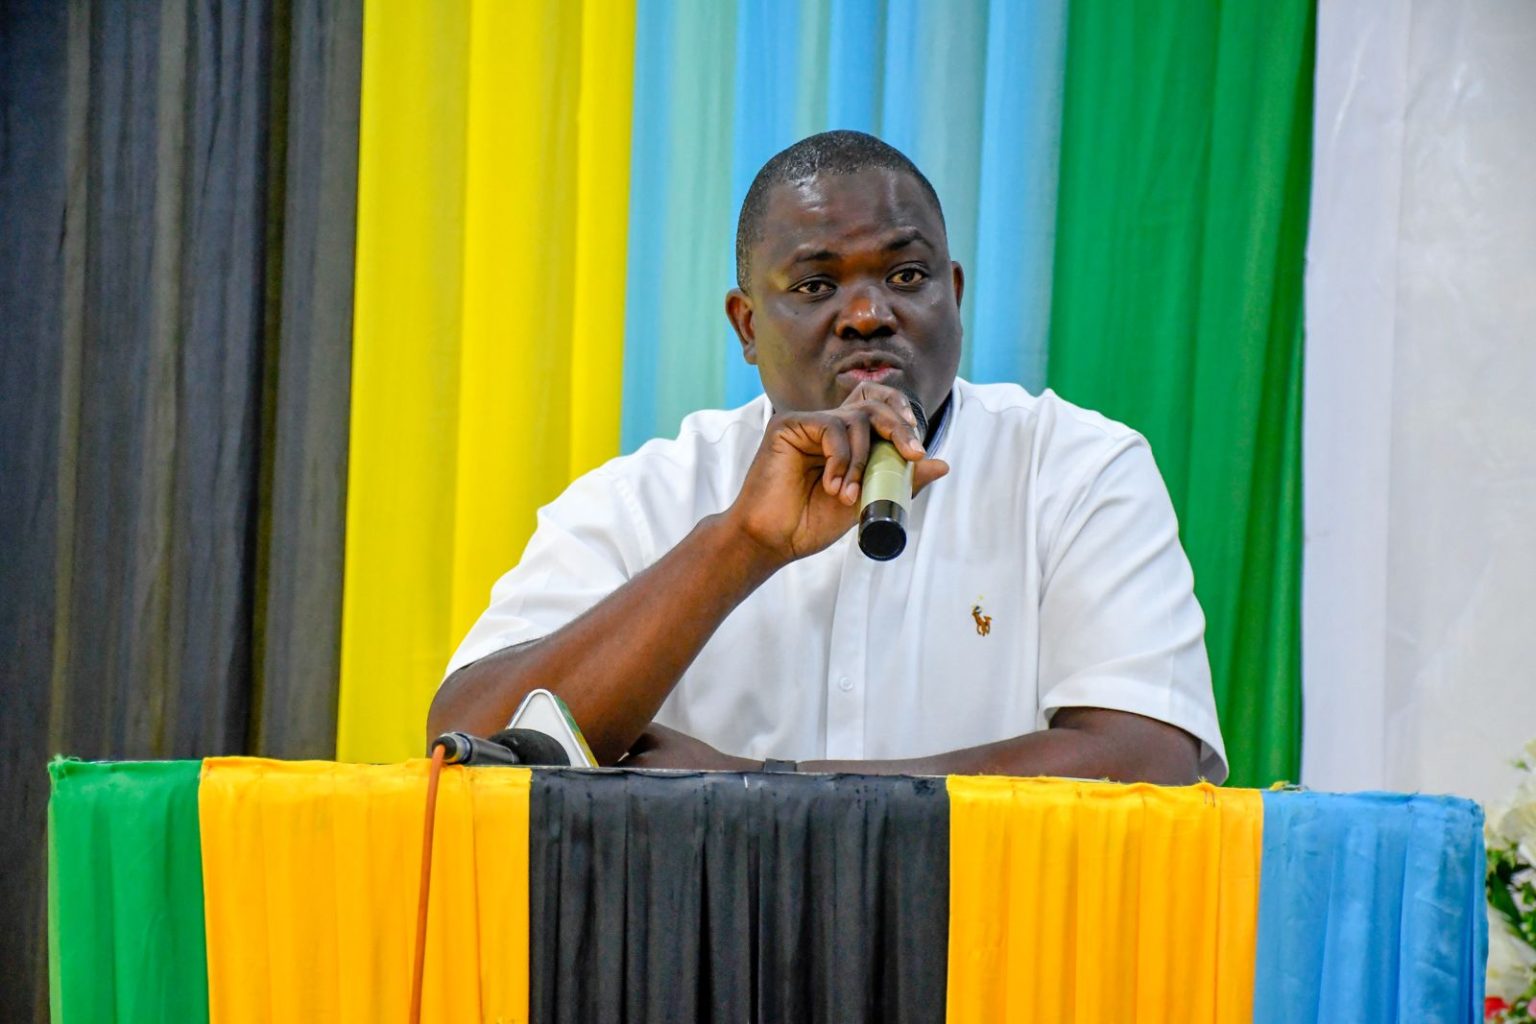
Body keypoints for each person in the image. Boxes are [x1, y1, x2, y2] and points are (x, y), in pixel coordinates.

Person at [428, 131, 1227, 784]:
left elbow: (1147, 764)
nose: (869, 313)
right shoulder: (641, 500)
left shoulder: (1076, 470)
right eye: (816, 286)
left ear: (953, 294)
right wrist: (738, 545)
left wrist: (757, 786)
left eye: (907, 275)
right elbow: (471, 745)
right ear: (747, 326)